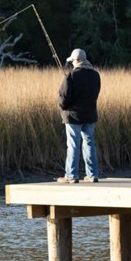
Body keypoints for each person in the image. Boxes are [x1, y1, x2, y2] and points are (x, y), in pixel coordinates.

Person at [57, 48, 101, 183]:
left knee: (73, 145)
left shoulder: (71, 76)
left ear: (76, 60)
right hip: (90, 115)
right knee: (89, 144)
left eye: (72, 61)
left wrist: (63, 108)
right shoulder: (95, 75)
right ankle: (93, 175)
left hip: (73, 116)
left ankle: (71, 175)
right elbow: (96, 94)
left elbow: (63, 98)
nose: (72, 64)